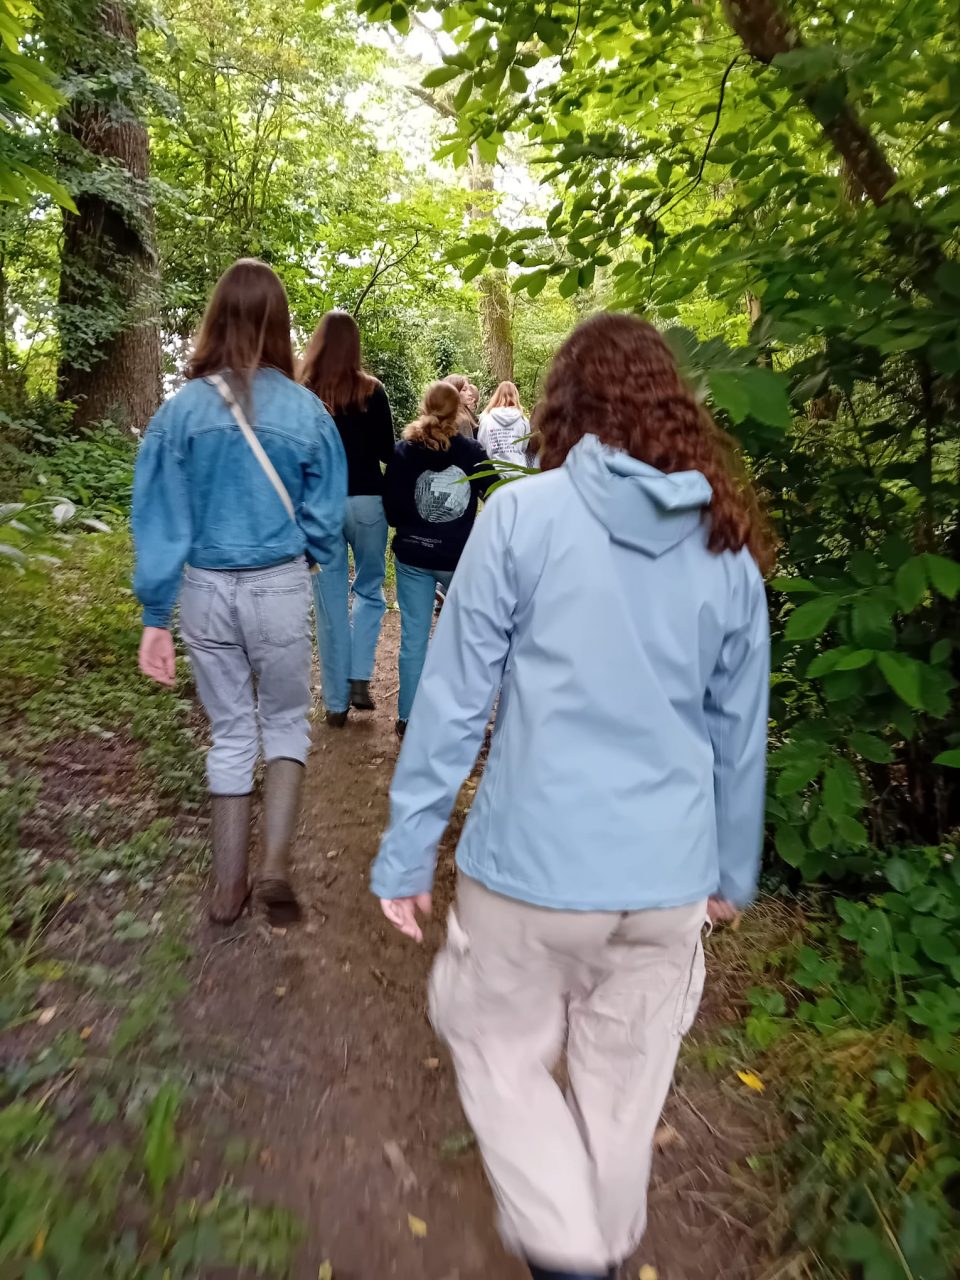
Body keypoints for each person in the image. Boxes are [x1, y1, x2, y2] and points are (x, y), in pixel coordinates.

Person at [371, 314, 773, 1280]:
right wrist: (730, 867)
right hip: (668, 882)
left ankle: (569, 1254)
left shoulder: (522, 517)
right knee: (627, 1083)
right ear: (673, 408)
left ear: (561, 408)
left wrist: (405, 851)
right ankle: (601, 1238)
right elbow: (738, 732)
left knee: (496, 1048)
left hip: (532, 872)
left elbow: (456, 701)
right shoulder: (728, 546)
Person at [132, 259, 346, 927]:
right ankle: (275, 866)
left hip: (202, 589)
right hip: (278, 584)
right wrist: (306, 552)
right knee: (284, 721)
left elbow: (159, 518)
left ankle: (228, 891)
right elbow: (326, 511)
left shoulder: (179, 414)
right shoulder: (307, 411)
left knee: (230, 731)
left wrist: (154, 616)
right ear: (281, 325)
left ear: (215, 319)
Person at [300, 311, 395, 725]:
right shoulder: (373, 390)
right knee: (371, 590)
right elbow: (388, 453)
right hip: (368, 503)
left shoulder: (303, 393)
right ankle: (359, 676)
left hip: (322, 506)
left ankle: (335, 705)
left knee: (329, 602)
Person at [382, 380, 490, 740]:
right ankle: (455, 716)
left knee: (414, 638)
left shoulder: (402, 452)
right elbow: (498, 496)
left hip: (412, 555)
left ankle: (408, 718)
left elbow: (393, 512)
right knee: (461, 638)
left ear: (423, 406)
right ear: (460, 409)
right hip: (457, 558)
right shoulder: (472, 452)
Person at [477, 380, 534, 469]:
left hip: (493, 472)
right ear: (516, 396)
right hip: (518, 470)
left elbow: (481, 444)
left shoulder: (486, 419)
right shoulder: (523, 420)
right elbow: (523, 447)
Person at [443, 372, 479, 439]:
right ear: (453, 392)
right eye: (464, 390)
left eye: (469, 389)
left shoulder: (465, 413)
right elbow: (467, 447)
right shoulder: (461, 420)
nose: (470, 393)